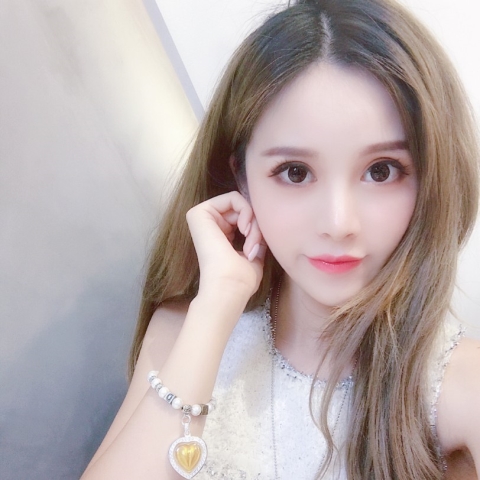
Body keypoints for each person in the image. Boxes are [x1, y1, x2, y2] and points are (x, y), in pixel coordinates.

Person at [81, 0, 480, 478]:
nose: (338, 223)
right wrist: (218, 303)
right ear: (242, 179)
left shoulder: (460, 386)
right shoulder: (182, 333)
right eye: (295, 172)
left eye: (381, 171)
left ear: (432, 177)